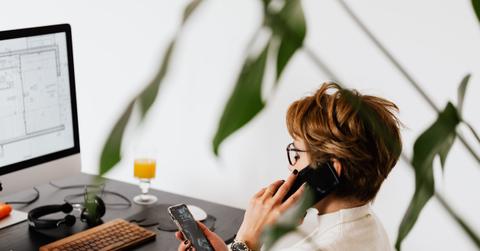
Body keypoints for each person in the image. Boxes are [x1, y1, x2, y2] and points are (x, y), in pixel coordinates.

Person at [176, 82, 402, 251]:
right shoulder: (369, 227)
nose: (291, 164)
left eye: (297, 153)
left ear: (330, 169)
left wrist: (246, 239)